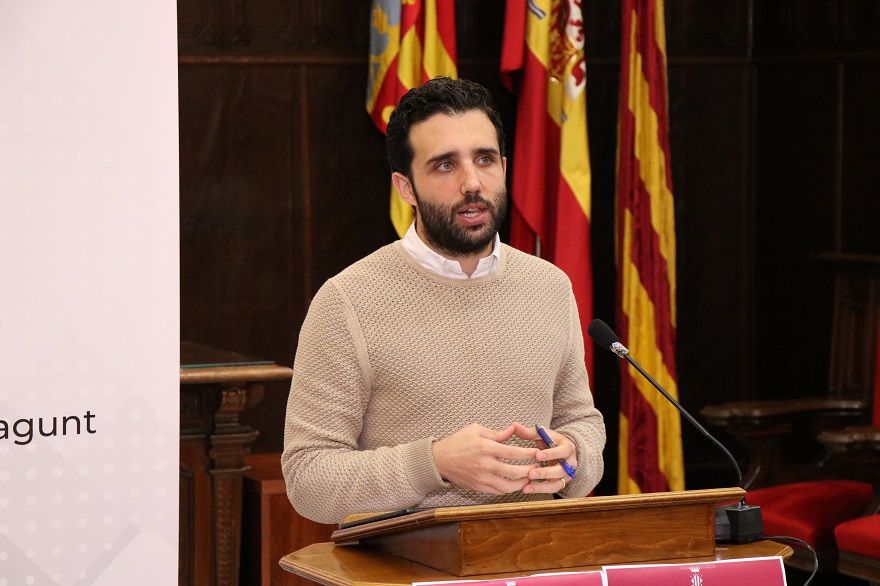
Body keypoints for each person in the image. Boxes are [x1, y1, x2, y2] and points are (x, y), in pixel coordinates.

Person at [282, 77, 605, 525]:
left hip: (535, 551)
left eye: (484, 160)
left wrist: (573, 457)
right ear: (406, 188)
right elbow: (308, 478)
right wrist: (433, 463)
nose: (472, 183)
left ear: (504, 168)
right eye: (445, 166)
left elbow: (581, 422)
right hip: (403, 560)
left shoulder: (549, 286)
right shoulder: (347, 301)